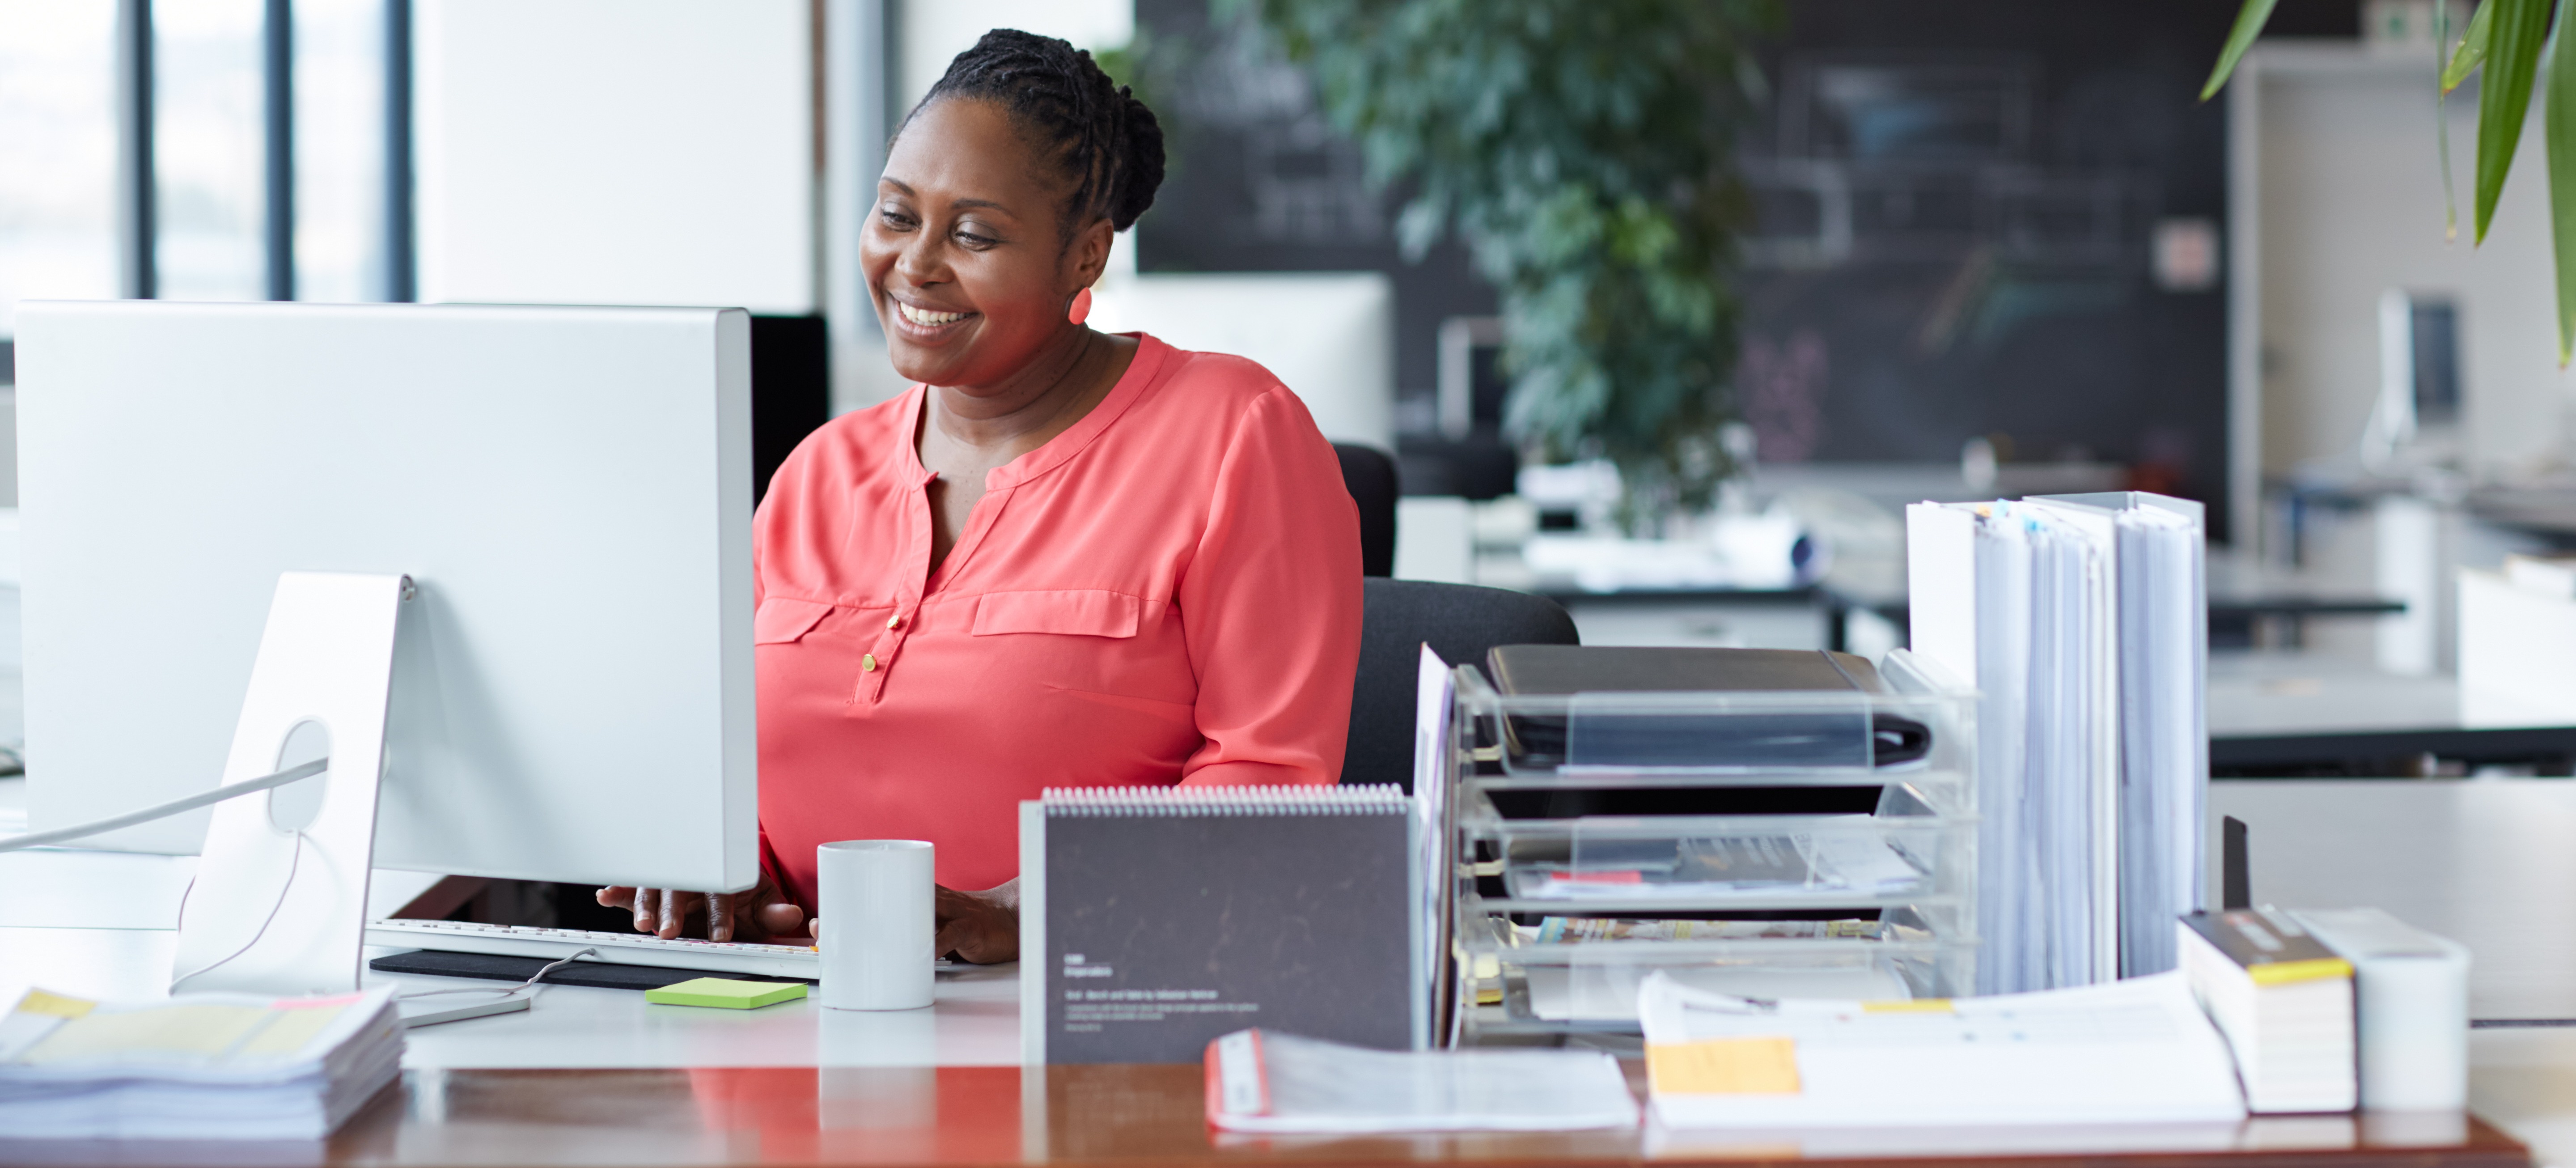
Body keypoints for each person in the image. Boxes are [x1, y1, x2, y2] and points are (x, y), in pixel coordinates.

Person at [597, 30, 1363, 962]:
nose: (916, 264)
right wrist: (729, 871)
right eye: (894, 215)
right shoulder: (816, 474)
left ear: (1084, 257)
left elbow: (1272, 780)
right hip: (796, 1007)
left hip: (1090, 1012)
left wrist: (1036, 910)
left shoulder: (1236, 433)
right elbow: (741, 759)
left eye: (973, 234)